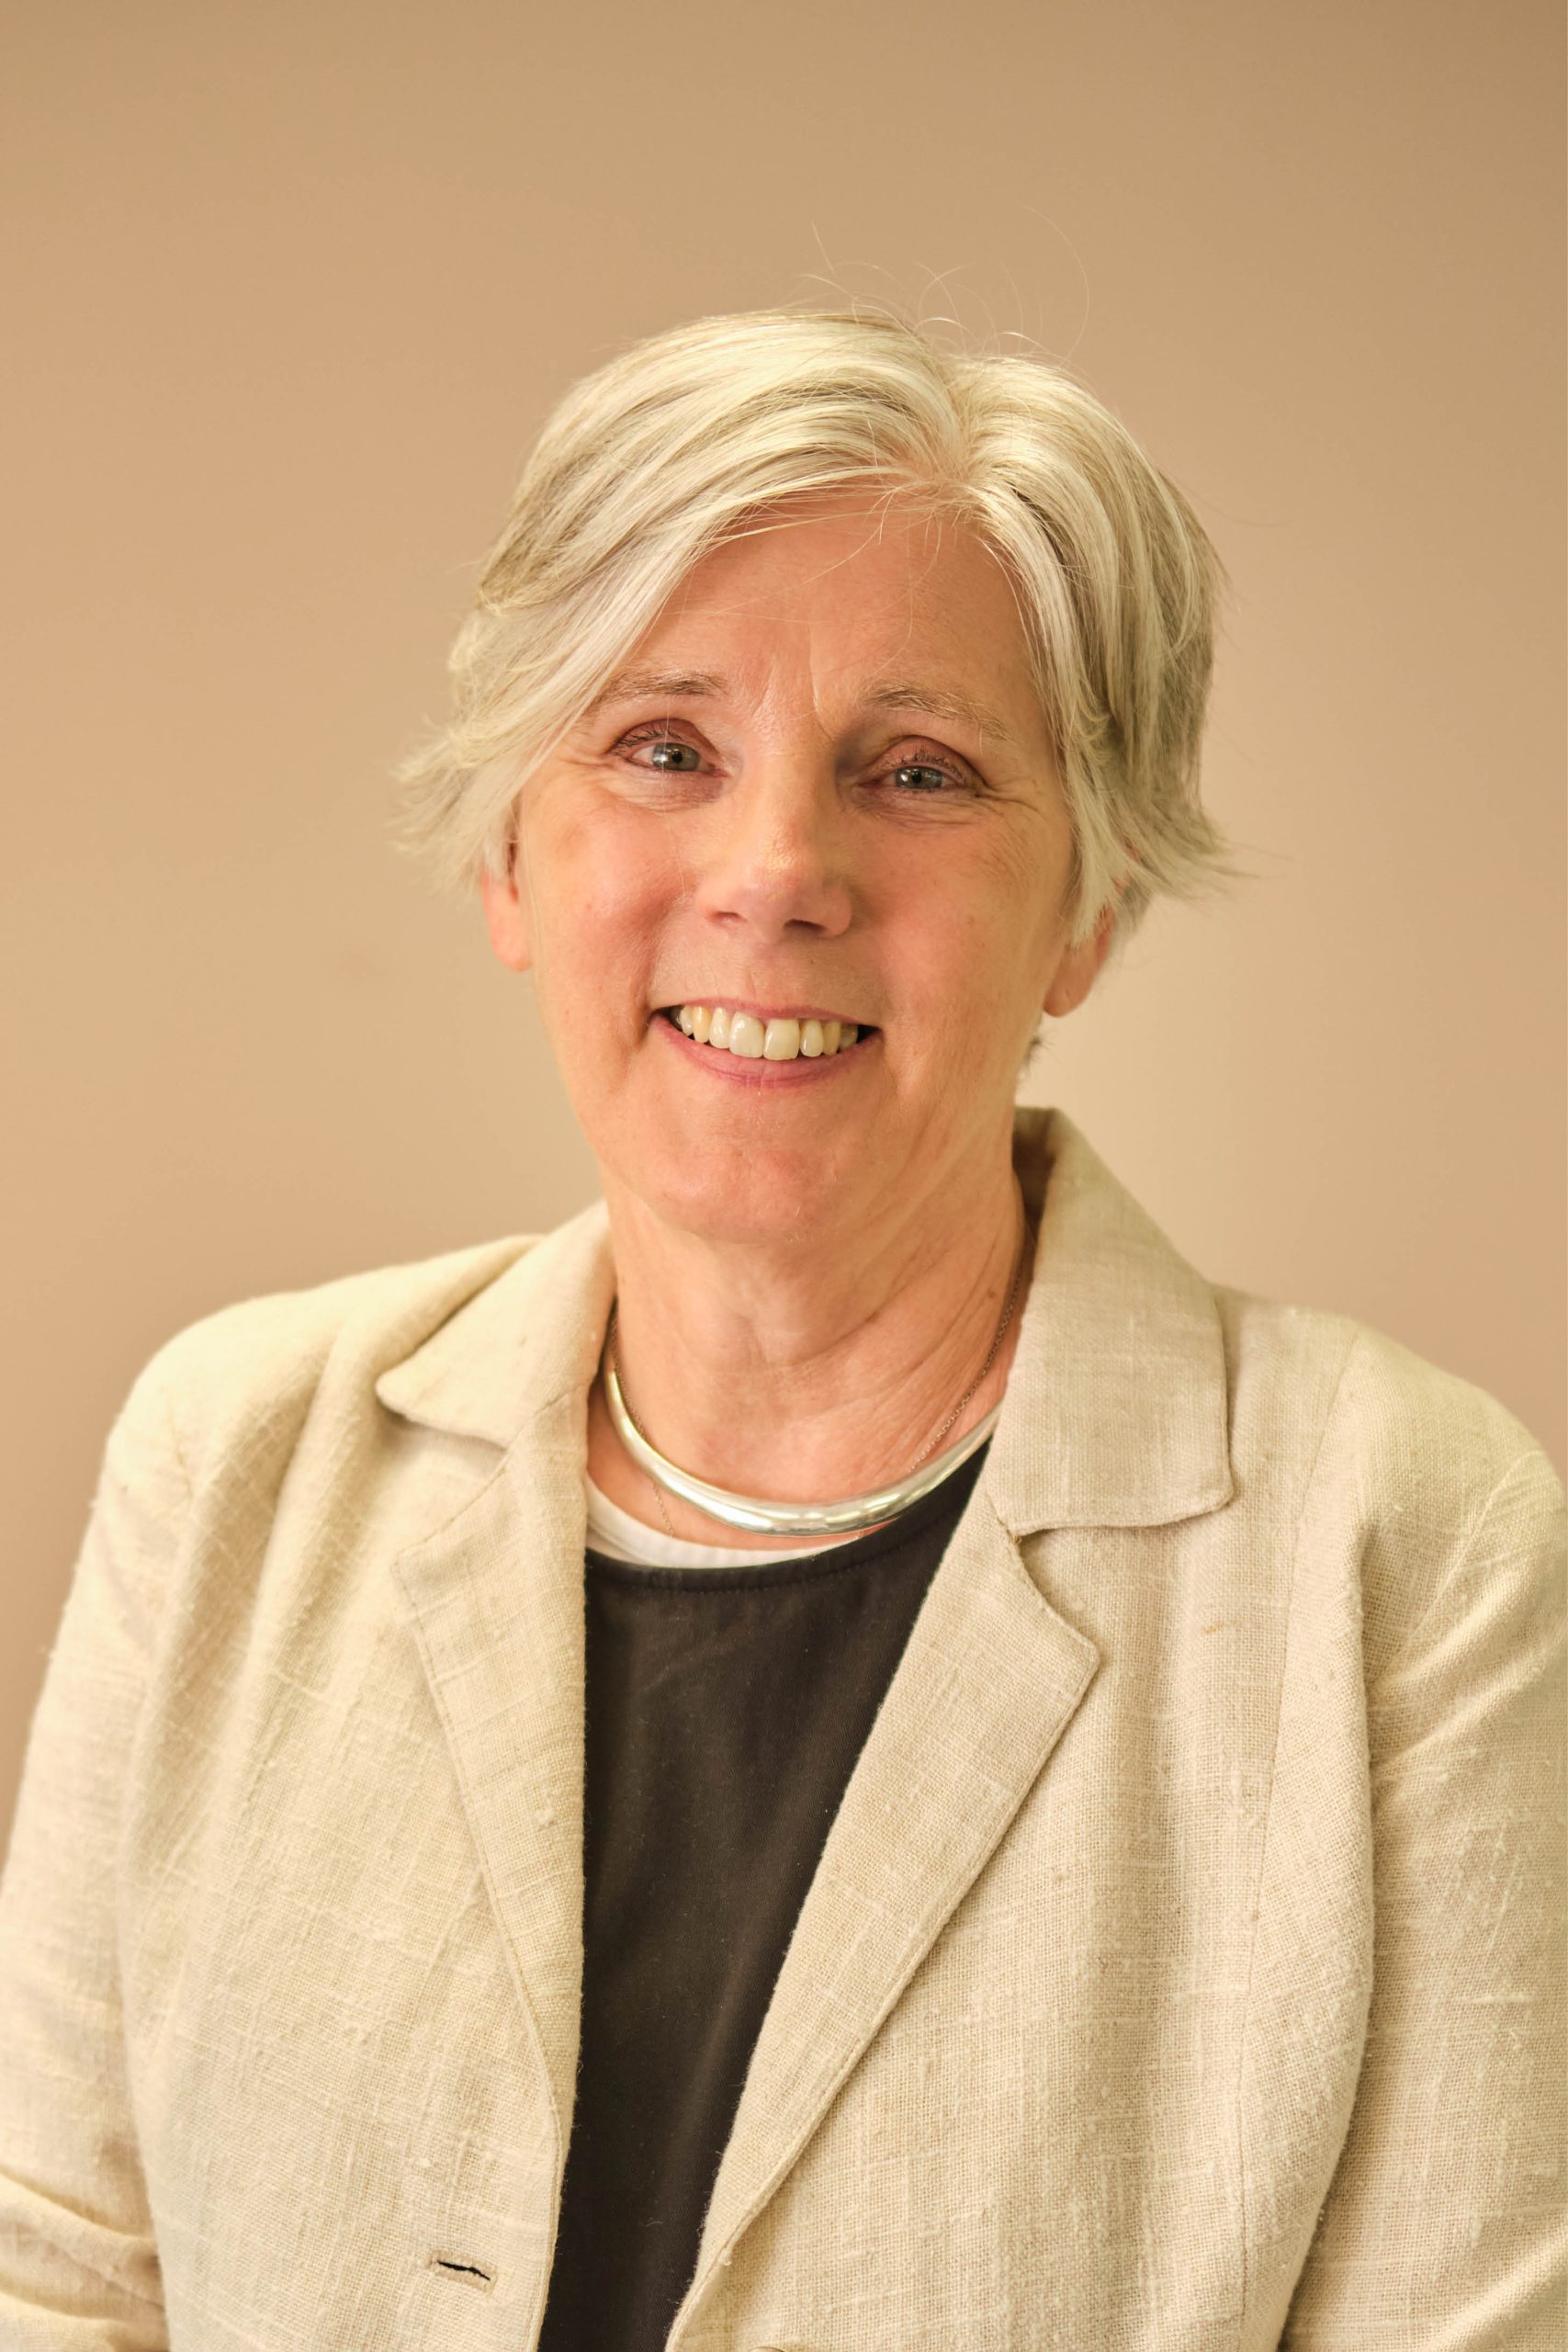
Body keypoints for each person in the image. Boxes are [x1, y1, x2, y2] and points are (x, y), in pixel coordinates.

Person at [0, 309, 1562, 2352]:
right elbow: (56, 2274)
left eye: (913, 772)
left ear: (1083, 908)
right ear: (511, 850)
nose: (775, 872)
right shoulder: (232, 1454)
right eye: (662, 747)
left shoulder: (1406, 1546)